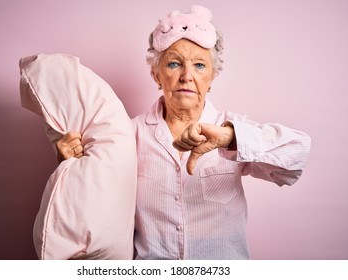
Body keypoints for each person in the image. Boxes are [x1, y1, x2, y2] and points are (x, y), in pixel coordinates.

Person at [56, 5, 311, 259]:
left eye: (200, 65)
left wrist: (231, 138)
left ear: (212, 76)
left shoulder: (231, 127)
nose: (187, 76)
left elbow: (297, 156)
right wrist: (71, 166)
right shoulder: (127, 134)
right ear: (156, 74)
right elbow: (93, 203)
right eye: (175, 64)